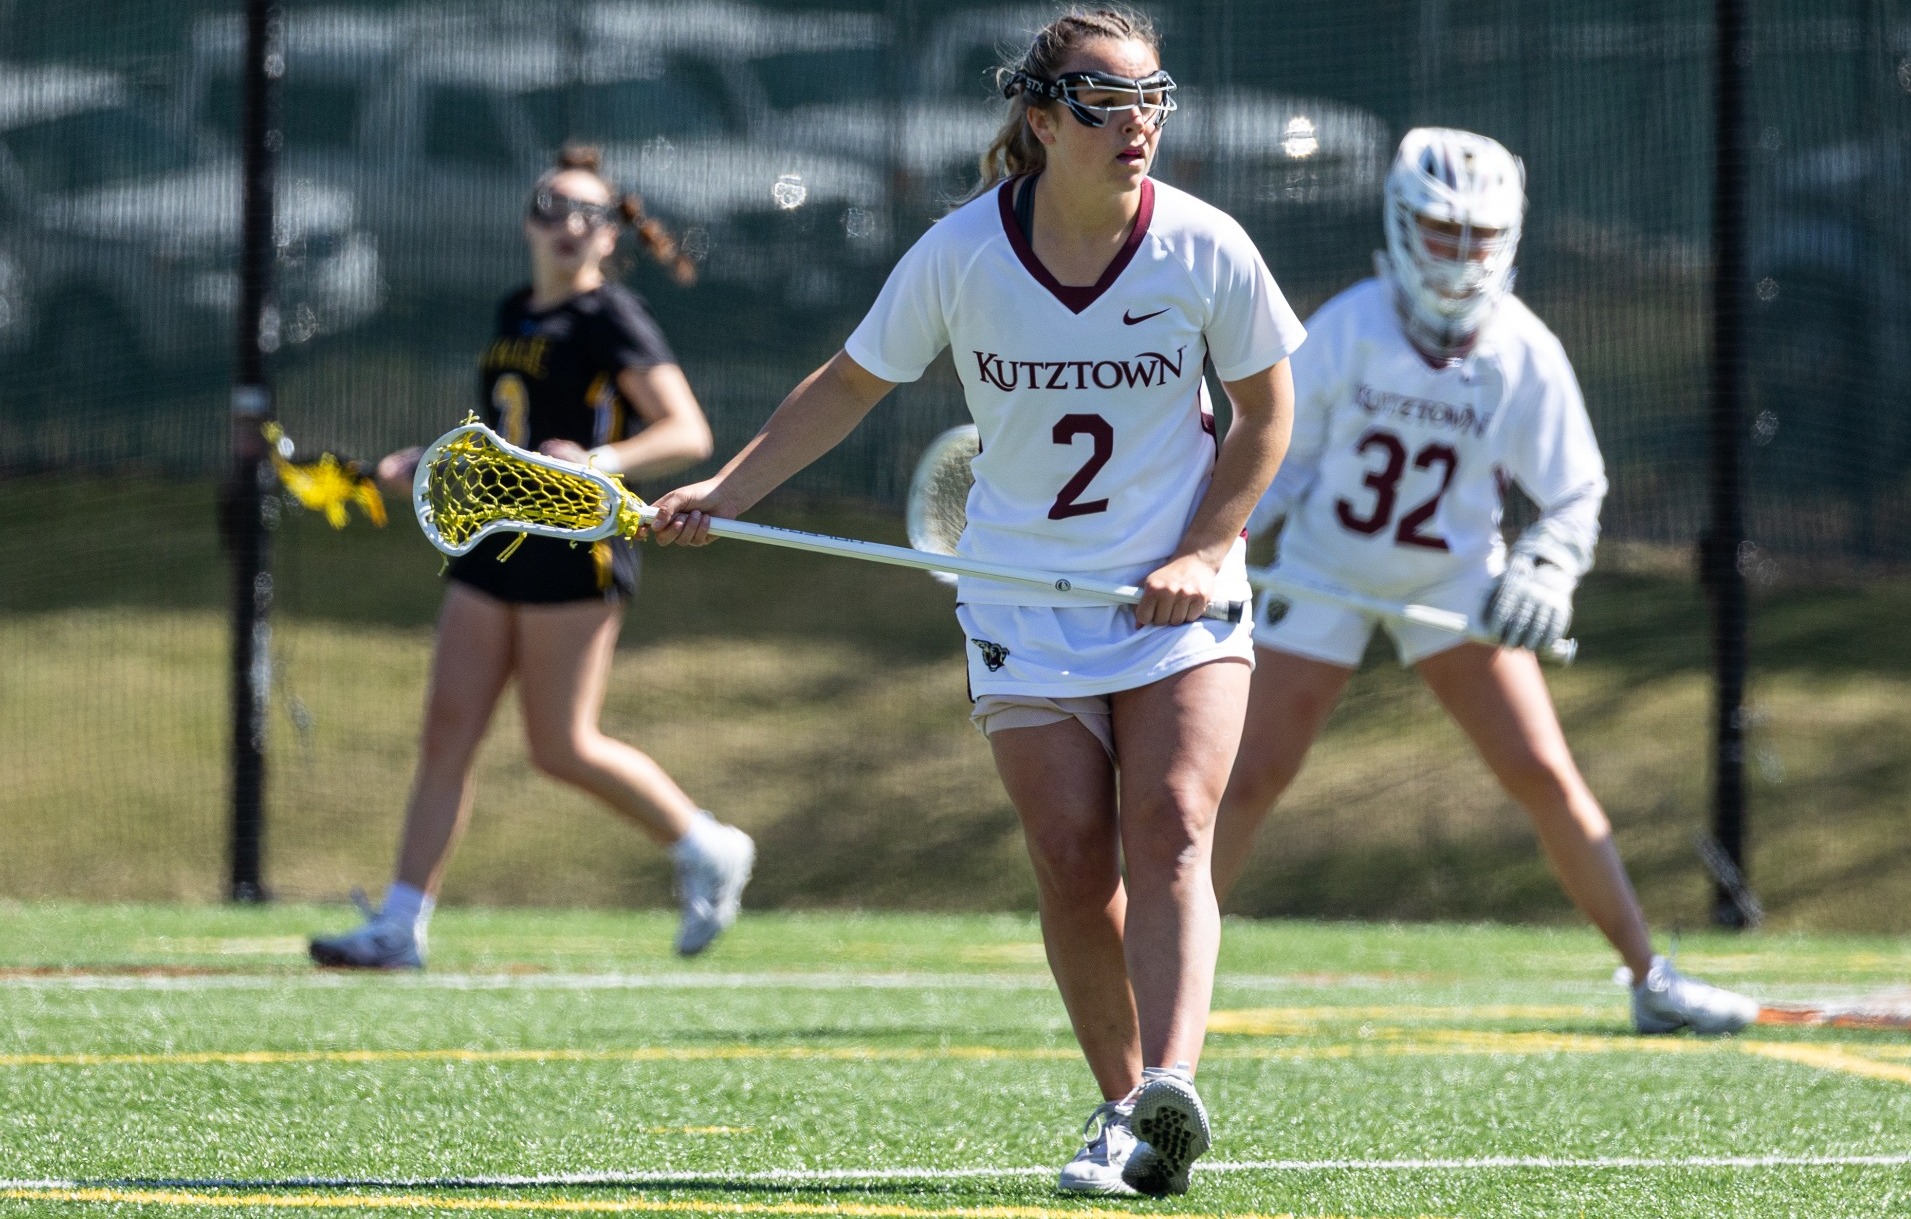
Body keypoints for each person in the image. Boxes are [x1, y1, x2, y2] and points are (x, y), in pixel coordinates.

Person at [645, 9, 1301, 1196]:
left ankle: (1171, 1090)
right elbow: (848, 383)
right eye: (1106, 104)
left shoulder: (1203, 246)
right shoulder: (960, 253)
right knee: (1066, 854)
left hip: (1175, 595)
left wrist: (1207, 548)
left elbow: (1266, 414)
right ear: (1043, 121)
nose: (1137, 125)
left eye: (1152, 99)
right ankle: (1117, 1106)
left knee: (1169, 821)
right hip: (1017, 591)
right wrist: (726, 489)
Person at [1211, 127, 1759, 1035]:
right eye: (1441, 229)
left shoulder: (1522, 350)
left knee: (1543, 769)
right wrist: (1218, 543)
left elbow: (1576, 487)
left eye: (1479, 235)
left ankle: (1649, 973)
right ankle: (1151, 963)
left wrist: (1550, 564)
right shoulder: (1348, 328)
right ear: (1399, 222)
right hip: (1326, 569)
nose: (1461, 253)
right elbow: (1272, 459)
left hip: (1455, 585)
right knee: (1249, 774)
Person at [309, 146, 754, 970]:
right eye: (552, 207)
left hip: (572, 545)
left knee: (560, 745)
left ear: (610, 237)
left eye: (589, 215)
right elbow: (504, 436)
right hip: (494, 541)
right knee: (448, 731)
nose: (567, 226)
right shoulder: (516, 309)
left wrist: (601, 460)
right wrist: (435, 460)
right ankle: (400, 927)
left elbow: (687, 431)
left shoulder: (609, 317)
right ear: (528, 219)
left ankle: (706, 845)